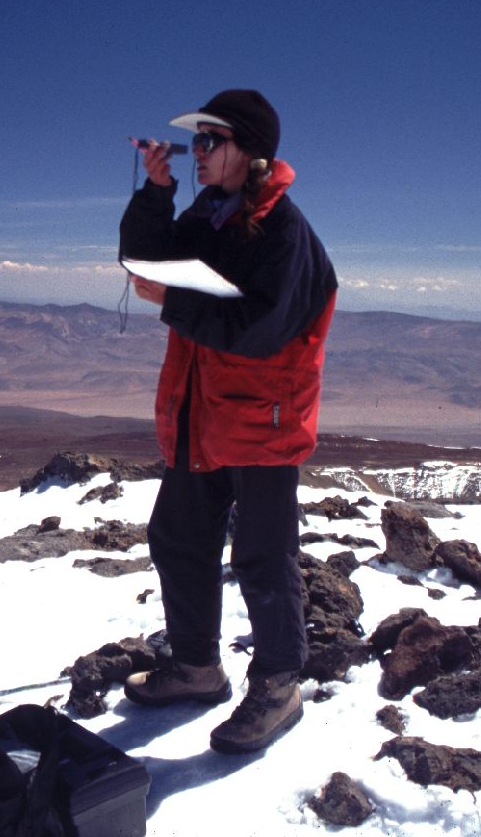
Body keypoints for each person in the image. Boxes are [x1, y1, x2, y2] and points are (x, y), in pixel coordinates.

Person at [118, 89, 338, 754]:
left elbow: (257, 328)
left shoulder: (282, 230)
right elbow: (150, 265)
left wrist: (174, 299)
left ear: (251, 151)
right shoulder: (213, 213)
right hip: (203, 414)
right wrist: (157, 193)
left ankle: (279, 685)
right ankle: (196, 668)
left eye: (211, 142)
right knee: (179, 536)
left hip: (262, 421)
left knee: (263, 558)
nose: (199, 154)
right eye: (196, 143)